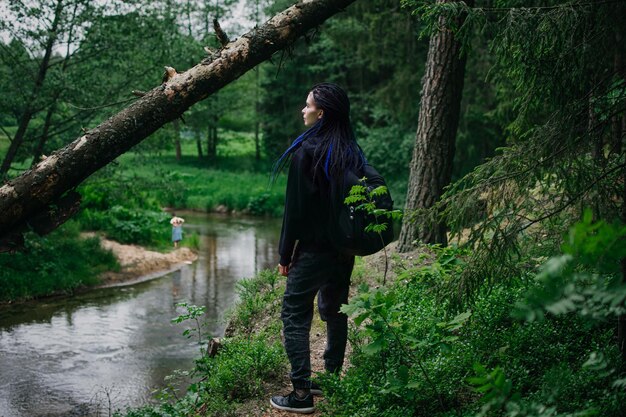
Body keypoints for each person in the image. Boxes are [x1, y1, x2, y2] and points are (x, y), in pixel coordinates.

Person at [269, 83, 365, 414]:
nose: (303, 109)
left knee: (295, 313)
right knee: (335, 310)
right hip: (343, 249)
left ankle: (300, 395)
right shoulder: (349, 150)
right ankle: (333, 380)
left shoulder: (306, 152)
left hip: (311, 251)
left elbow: (294, 213)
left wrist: (285, 255)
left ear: (321, 113)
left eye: (307, 105)